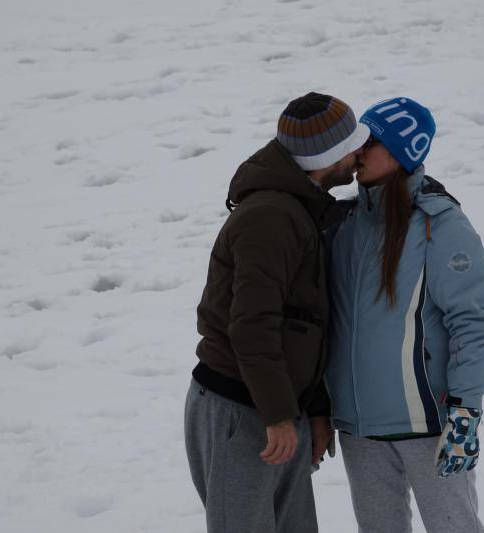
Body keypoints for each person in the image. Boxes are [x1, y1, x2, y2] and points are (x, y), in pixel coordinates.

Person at [185, 92, 370, 533]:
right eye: (353, 144)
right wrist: (277, 415)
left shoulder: (300, 209)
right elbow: (252, 326)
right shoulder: (271, 217)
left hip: (275, 404)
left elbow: (307, 322)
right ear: (328, 156)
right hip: (242, 408)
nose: (361, 153)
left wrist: (313, 409)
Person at [324, 97, 484, 533]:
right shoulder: (342, 223)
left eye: (372, 142)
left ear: (403, 154)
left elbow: (471, 324)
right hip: (360, 427)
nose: (359, 151)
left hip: (430, 425)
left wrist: (466, 409)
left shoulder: (439, 225)